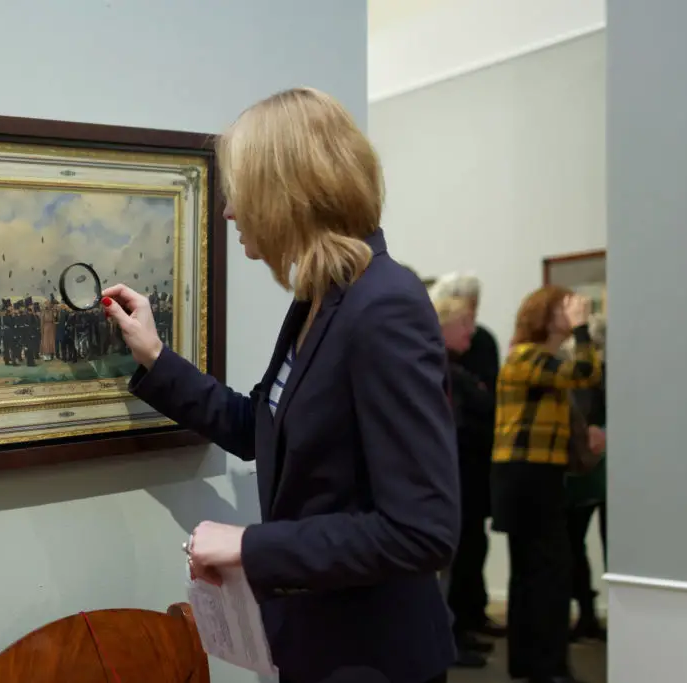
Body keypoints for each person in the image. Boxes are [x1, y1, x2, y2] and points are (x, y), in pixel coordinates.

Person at [102, 87, 459, 683]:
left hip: (373, 660)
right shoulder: (320, 301)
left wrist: (250, 546)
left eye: (238, 192)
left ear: (285, 192)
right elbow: (259, 428)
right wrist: (157, 357)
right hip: (313, 646)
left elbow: (422, 531)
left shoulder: (384, 306)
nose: (228, 212)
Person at [491, 286, 602, 683]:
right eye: (562, 306)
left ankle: (530, 666)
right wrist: (584, 327)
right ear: (543, 315)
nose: (570, 311)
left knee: (531, 574)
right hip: (529, 476)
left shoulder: (538, 359)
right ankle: (548, 669)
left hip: (527, 476)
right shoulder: (527, 357)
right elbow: (587, 372)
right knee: (550, 572)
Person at [429, 271, 503, 639]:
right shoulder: (440, 367)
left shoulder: (470, 353)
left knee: (469, 547)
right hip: (451, 471)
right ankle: (453, 634)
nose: (471, 330)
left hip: (467, 466)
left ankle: (462, 627)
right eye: (465, 322)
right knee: (452, 553)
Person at [564, 314, 607, 641]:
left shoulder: (583, 373)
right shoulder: (586, 372)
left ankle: (588, 615)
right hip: (593, 469)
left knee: (574, 546)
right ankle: (591, 615)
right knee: (579, 547)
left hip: (584, 470)